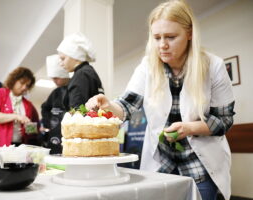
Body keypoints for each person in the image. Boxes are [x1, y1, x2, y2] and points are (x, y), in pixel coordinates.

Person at [86, 1, 235, 200]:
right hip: (161, 163)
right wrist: (108, 105)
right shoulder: (147, 67)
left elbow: (223, 120)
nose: (162, 45)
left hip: (199, 165)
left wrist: (189, 128)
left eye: (171, 37)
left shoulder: (213, 66)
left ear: (189, 33)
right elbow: (127, 106)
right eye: (157, 37)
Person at [0, 67, 40, 147]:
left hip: (17, 146)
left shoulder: (28, 104)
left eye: (27, 85)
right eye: (22, 83)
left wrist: (30, 127)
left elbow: (31, 132)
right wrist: (16, 116)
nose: (24, 87)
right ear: (14, 80)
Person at [57, 32, 104, 109]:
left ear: (75, 56)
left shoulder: (81, 75)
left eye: (63, 59)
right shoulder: (89, 71)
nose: (61, 64)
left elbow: (77, 110)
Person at [41, 54, 70, 154]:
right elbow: (45, 108)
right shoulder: (55, 93)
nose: (54, 80)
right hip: (54, 136)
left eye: (57, 77)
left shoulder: (76, 90)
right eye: (52, 78)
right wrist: (48, 123)